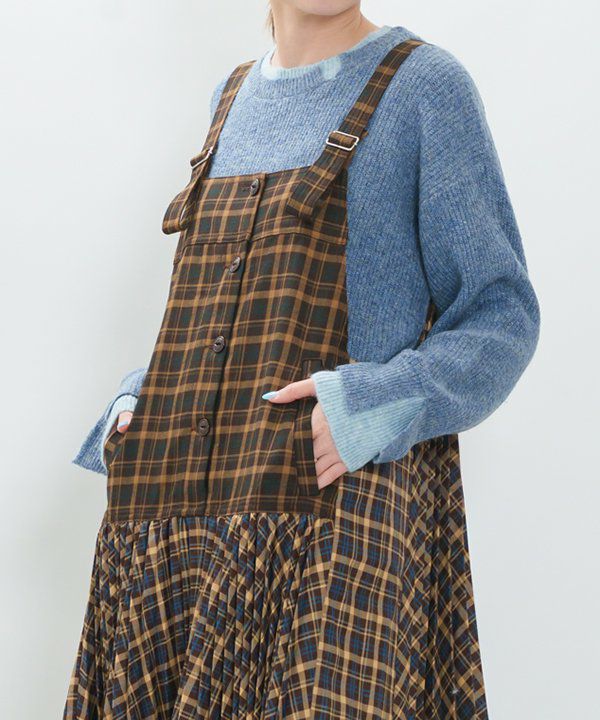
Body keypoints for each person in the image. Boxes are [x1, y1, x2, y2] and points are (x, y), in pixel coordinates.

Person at [64, 2, 540, 718]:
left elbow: (502, 315)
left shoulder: (423, 86)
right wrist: (141, 397)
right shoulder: (231, 97)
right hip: (173, 533)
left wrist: (371, 408)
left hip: (329, 529)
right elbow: (214, 307)